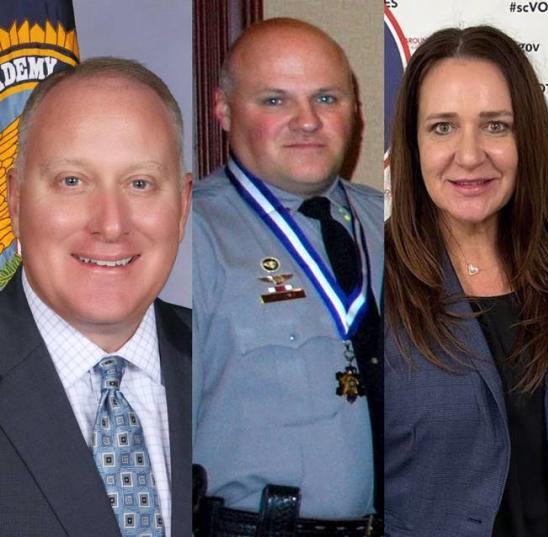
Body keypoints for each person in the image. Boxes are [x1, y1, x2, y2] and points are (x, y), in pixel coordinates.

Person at [191, 18, 384, 537]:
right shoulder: (185, 238)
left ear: (355, 109)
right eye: (275, 100)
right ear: (224, 111)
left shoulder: (397, 226)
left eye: (327, 98)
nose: (307, 121)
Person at [383, 25, 548, 537]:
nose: (469, 156)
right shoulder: (371, 279)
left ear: (527, 140)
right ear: (412, 144)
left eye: (496, 126)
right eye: (442, 127)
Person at [0, 58, 192, 537]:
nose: (110, 224)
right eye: (72, 181)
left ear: (183, 205)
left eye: (140, 183)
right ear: (16, 200)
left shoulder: (236, 367)